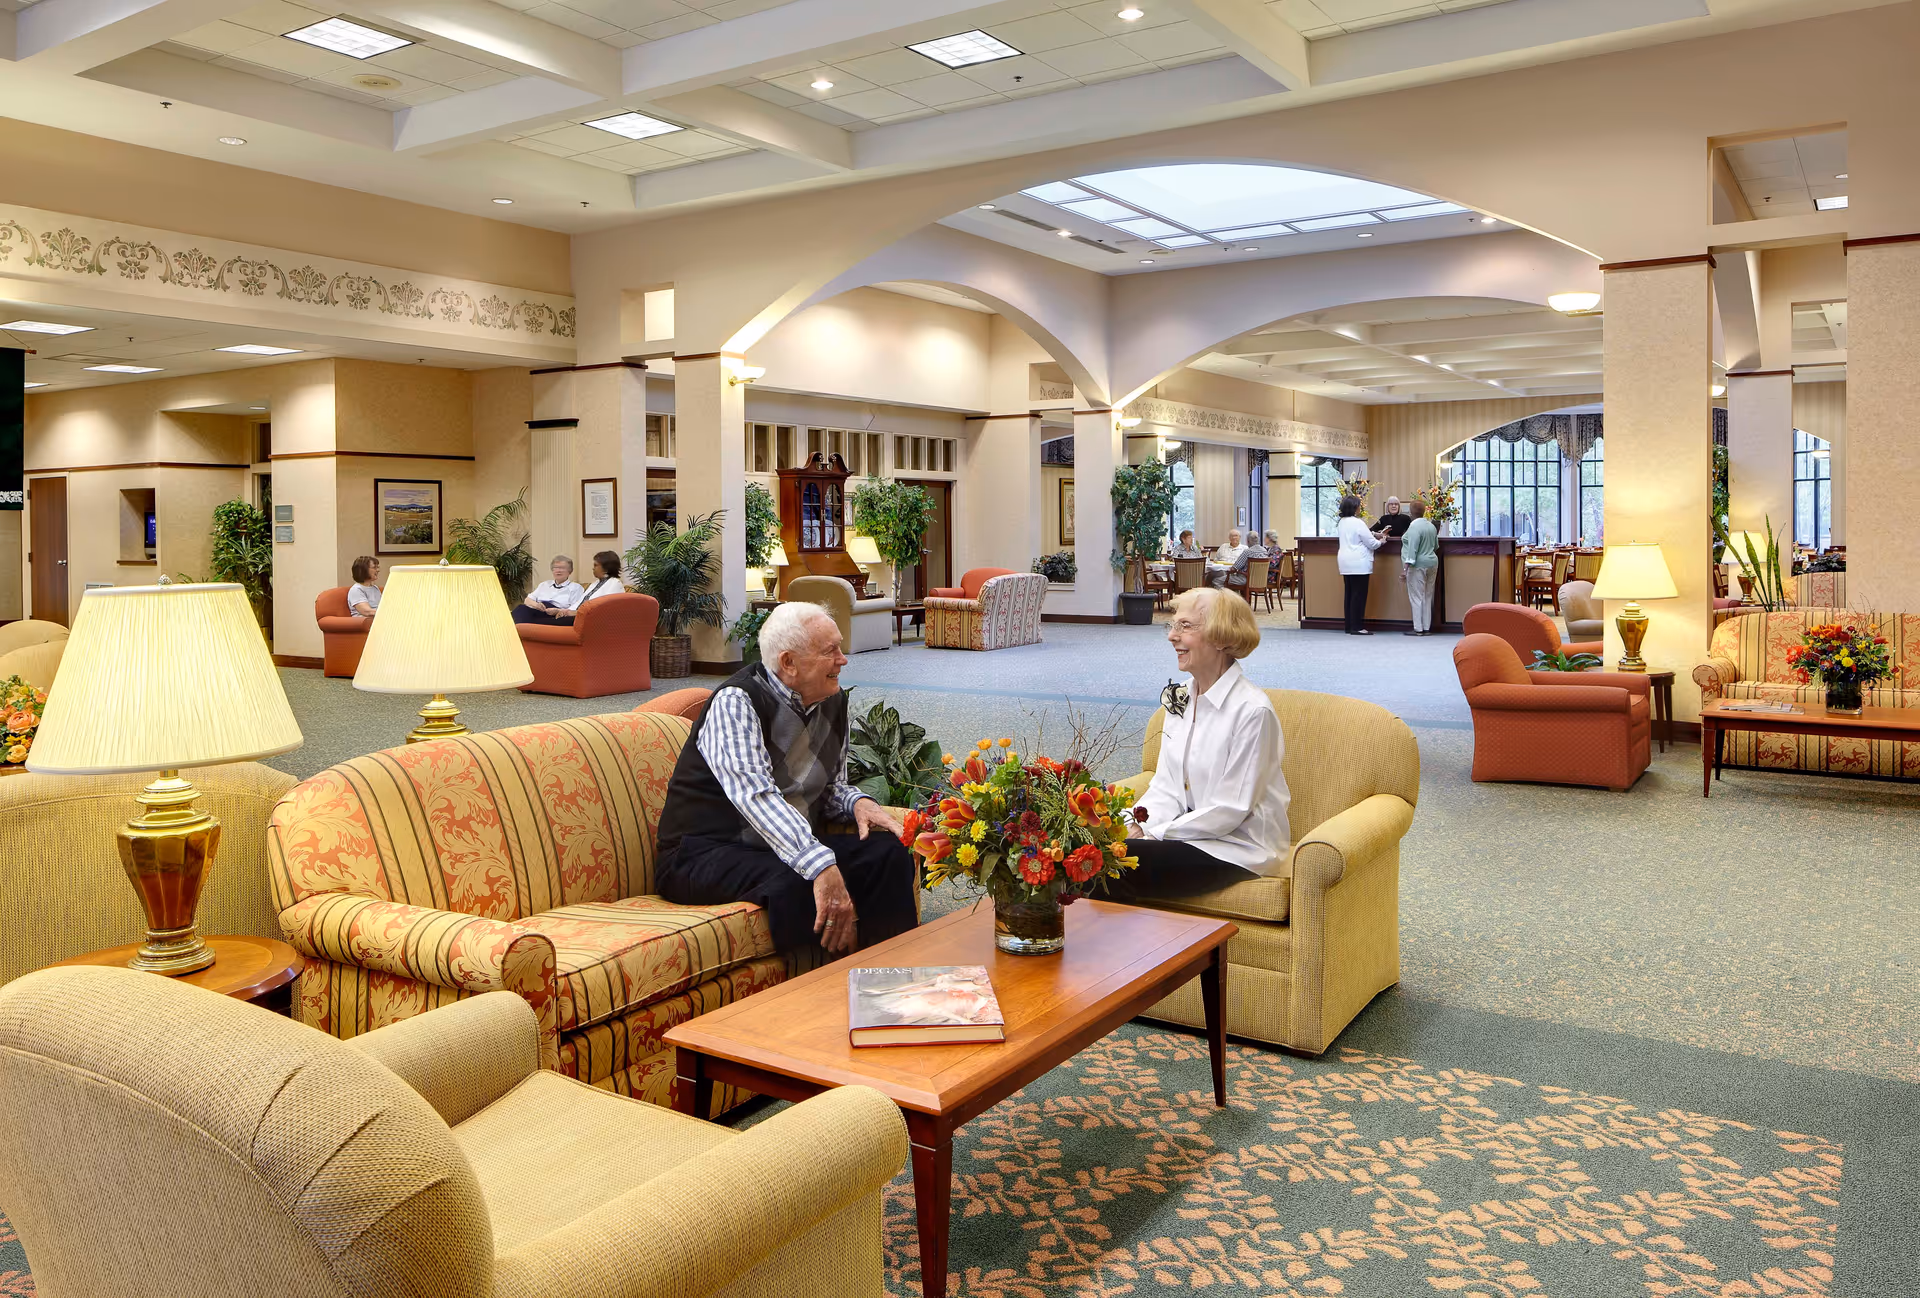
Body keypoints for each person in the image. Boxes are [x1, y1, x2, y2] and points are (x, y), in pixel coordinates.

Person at [654, 602, 918, 957]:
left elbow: (829, 788)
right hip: (702, 852)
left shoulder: (832, 700)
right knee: (801, 880)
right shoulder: (737, 702)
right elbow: (757, 799)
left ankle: (893, 973)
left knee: (887, 854)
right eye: (831, 651)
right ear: (788, 662)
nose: (843, 659)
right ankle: (821, 994)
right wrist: (820, 863)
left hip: (771, 847)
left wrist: (858, 802)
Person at [1104, 588, 1289, 902]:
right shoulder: (1181, 699)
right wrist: (1134, 822)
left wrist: (1153, 833)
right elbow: (1167, 785)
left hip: (1236, 846)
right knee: (1087, 849)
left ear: (1221, 637)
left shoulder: (1252, 711)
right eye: (1172, 626)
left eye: (1185, 626)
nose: (1172, 636)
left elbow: (1230, 809)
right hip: (1186, 836)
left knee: (1115, 868)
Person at [1336, 495, 1385, 635]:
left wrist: (1373, 534)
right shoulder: (1358, 523)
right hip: (1359, 562)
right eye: (1359, 505)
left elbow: (1362, 535)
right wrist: (1381, 541)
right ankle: (1357, 627)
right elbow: (1371, 543)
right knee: (1359, 595)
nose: (1360, 508)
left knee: (1350, 594)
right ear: (1354, 508)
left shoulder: (1342, 522)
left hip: (1345, 561)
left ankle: (1349, 626)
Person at [1400, 501, 1440, 636]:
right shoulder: (1431, 526)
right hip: (1432, 563)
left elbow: (1412, 551)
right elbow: (1435, 546)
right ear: (1424, 511)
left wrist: (1405, 570)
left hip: (1417, 565)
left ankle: (1418, 628)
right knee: (1428, 595)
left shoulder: (1413, 528)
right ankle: (1427, 627)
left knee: (1416, 597)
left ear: (1411, 513)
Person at [512, 556, 584, 626]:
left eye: (562, 568)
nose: (558, 570)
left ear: (570, 571)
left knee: (524, 619)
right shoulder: (544, 584)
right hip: (539, 611)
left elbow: (574, 609)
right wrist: (536, 605)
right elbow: (527, 600)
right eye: (555, 568)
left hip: (556, 615)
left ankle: (527, 626)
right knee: (521, 609)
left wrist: (557, 611)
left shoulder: (576, 588)